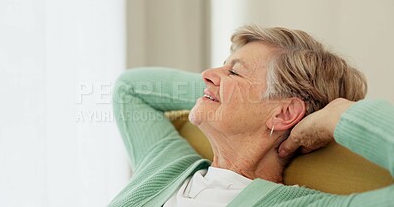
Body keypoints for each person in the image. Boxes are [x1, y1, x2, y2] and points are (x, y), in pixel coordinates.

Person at [108, 25, 394, 207]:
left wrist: (338, 115)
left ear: (284, 113)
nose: (206, 75)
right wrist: (217, 91)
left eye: (234, 71)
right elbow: (130, 89)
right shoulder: (166, 164)